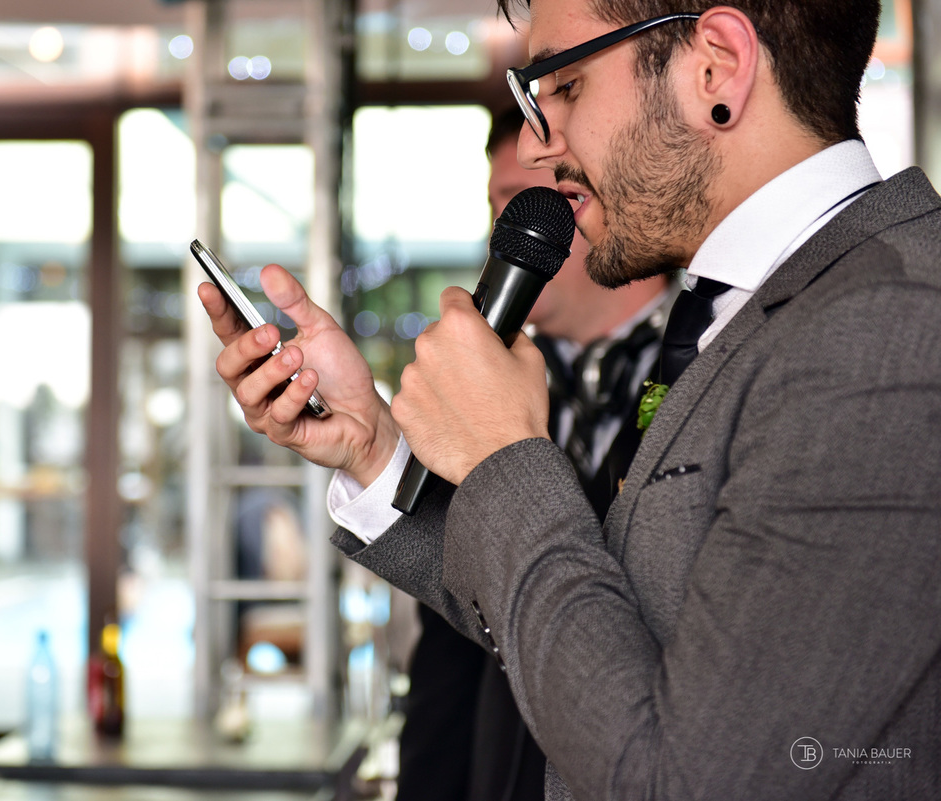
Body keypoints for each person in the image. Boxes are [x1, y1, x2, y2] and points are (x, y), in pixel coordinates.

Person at [198, 0, 941, 797]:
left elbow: (691, 779)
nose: (534, 143)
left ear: (716, 67)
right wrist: (376, 450)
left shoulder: (883, 331)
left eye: (566, 84)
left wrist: (502, 452)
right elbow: (595, 626)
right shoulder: (752, 307)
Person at [396, 105, 674, 801]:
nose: (509, 225)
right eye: (501, 203)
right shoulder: (477, 384)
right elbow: (449, 655)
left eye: (535, 200)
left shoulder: (702, 361)